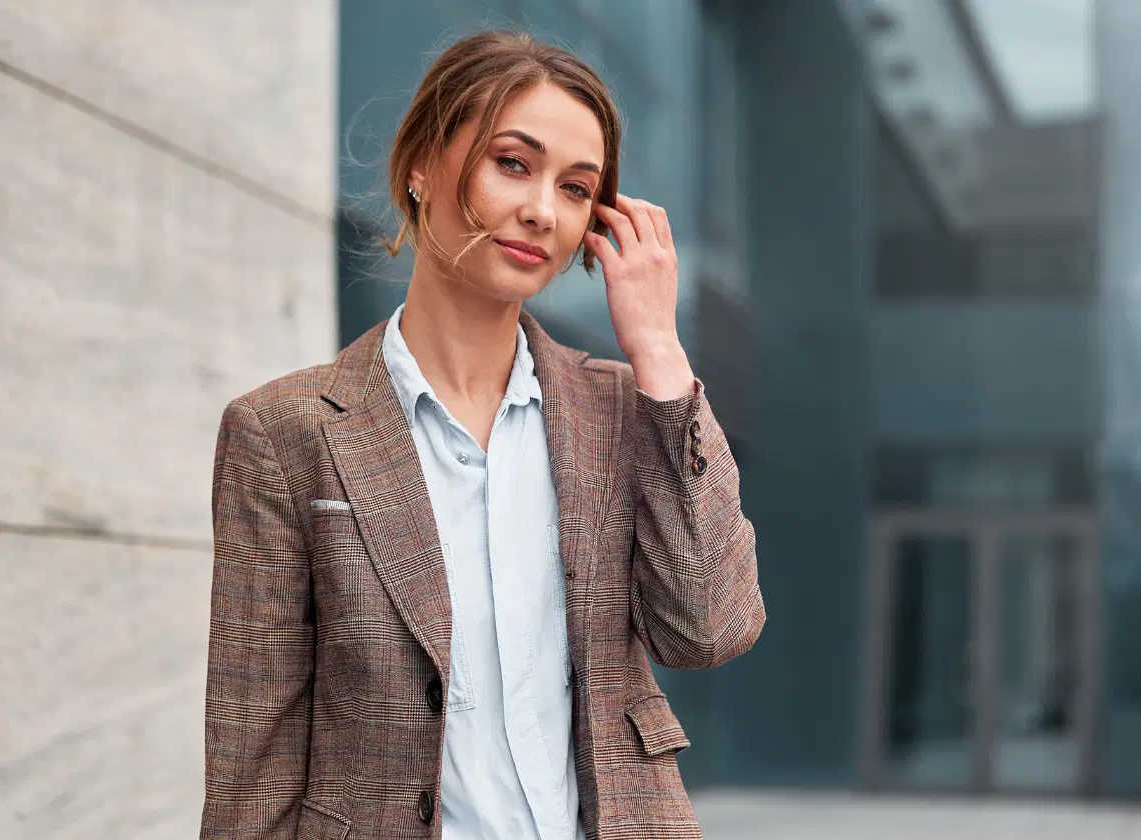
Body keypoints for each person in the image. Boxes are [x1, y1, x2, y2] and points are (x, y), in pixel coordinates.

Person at [200, 30, 765, 840]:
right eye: (512, 163)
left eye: (577, 188)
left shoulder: (620, 408)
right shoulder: (283, 433)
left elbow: (710, 628)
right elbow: (255, 752)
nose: (542, 209)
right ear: (423, 166)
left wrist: (660, 352)